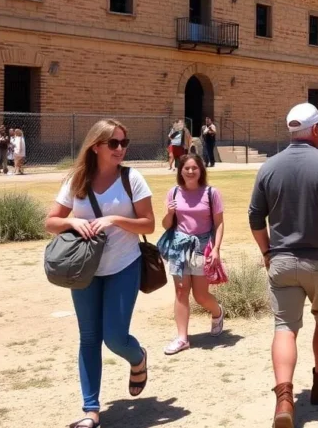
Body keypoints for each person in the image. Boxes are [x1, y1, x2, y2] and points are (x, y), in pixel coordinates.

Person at [248, 102, 318, 428]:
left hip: (282, 262)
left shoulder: (269, 168)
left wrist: (267, 251)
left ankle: (284, 398)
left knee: (285, 328)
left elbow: (255, 216)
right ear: (314, 130)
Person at [44, 119, 155, 428]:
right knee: (89, 337)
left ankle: (138, 358)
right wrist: (72, 223)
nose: (121, 149)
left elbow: (148, 224)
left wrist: (116, 220)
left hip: (123, 265)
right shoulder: (76, 180)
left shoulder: (132, 179)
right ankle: (91, 410)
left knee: (115, 337)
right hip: (84, 270)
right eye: (114, 143)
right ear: (96, 147)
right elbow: (50, 221)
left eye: (124, 143)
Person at [159, 154, 225, 356]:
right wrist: (169, 213)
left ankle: (217, 312)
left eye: (194, 168)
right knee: (180, 291)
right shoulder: (173, 193)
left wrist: (216, 249)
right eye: (186, 168)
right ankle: (182, 338)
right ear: (180, 170)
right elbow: (165, 225)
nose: (190, 171)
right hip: (179, 246)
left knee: (201, 295)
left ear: (201, 170)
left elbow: (219, 223)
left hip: (202, 246)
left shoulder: (211, 193)